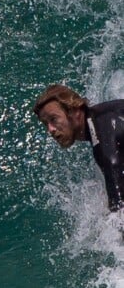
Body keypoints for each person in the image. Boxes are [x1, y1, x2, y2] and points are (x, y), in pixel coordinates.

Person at [33, 84, 124, 212]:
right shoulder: (99, 122)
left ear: (75, 111)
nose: (50, 129)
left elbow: (119, 203)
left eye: (53, 119)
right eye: (45, 124)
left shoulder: (103, 127)